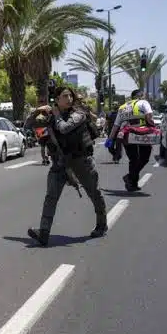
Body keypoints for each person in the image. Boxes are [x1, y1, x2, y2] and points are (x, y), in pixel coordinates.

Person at [27, 87, 107, 246]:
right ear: (56, 99)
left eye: (70, 96)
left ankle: (101, 224)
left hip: (81, 161)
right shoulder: (50, 115)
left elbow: (64, 128)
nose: (69, 98)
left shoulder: (79, 114)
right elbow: (29, 125)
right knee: (51, 197)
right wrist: (37, 111)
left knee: (94, 193)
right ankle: (44, 233)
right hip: (59, 162)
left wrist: (55, 114)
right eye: (65, 96)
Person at [106, 89, 156, 191]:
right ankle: (130, 178)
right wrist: (153, 127)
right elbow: (149, 117)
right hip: (142, 133)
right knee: (144, 157)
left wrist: (110, 139)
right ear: (140, 96)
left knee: (133, 159)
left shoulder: (122, 107)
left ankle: (132, 183)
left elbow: (116, 125)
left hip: (126, 135)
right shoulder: (143, 102)